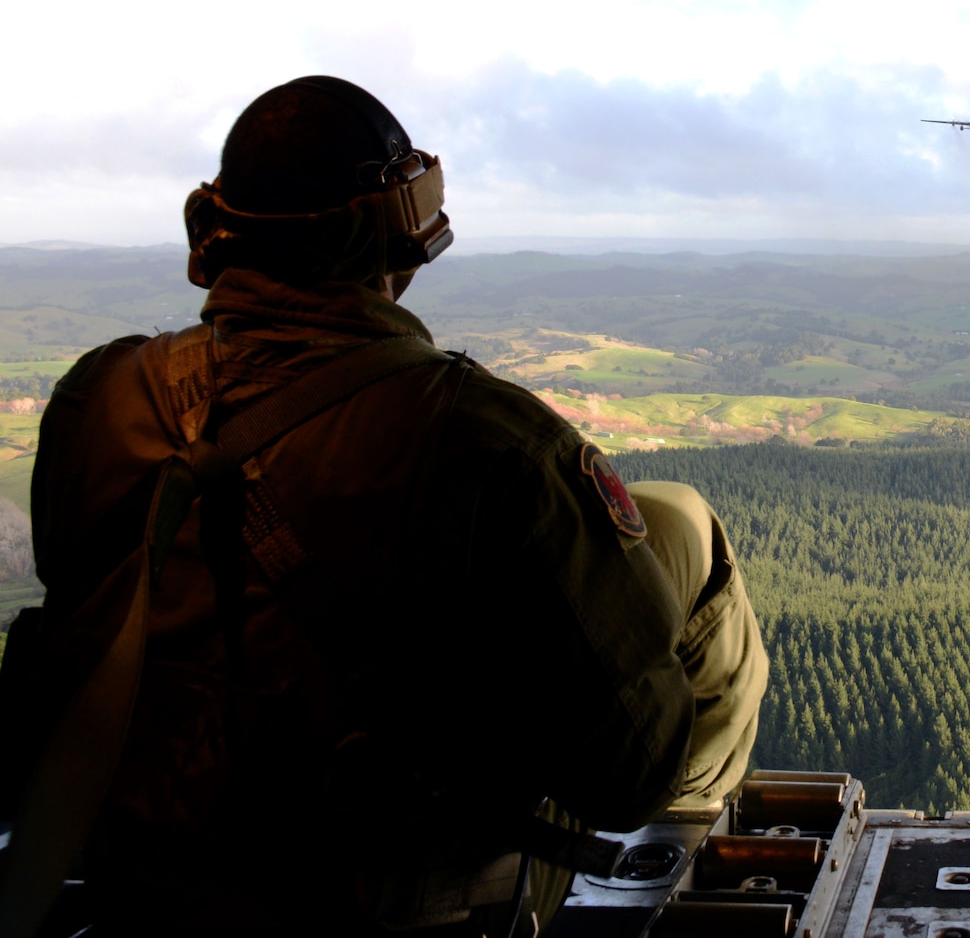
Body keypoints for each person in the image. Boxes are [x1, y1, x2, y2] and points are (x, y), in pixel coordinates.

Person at [0, 76, 766, 935]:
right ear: (398, 234)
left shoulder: (95, 395)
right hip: (395, 906)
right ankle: (664, 859)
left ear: (212, 228)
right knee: (677, 523)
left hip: (144, 888)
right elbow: (629, 771)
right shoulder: (490, 442)